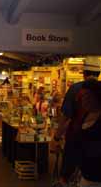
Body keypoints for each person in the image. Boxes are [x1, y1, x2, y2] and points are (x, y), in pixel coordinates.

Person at [50, 56, 101, 187]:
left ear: (83, 73)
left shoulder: (75, 89)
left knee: (67, 176)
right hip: (94, 152)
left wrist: (56, 137)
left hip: (74, 140)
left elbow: (66, 117)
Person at [79, 80, 101, 187]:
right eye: (82, 97)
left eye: (88, 97)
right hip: (85, 174)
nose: (84, 101)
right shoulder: (86, 114)